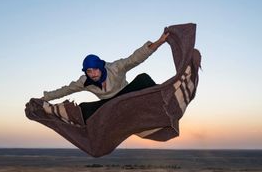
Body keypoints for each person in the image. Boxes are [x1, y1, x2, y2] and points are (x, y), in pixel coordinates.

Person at [42, 30, 170, 122]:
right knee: (83, 108)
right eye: (89, 71)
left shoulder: (116, 68)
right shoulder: (84, 81)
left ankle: (163, 100)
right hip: (108, 105)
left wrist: (159, 42)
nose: (93, 74)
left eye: (95, 70)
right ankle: (54, 111)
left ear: (101, 67)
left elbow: (135, 58)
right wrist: (45, 97)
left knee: (143, 78)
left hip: (126, 95)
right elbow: (66, 90)